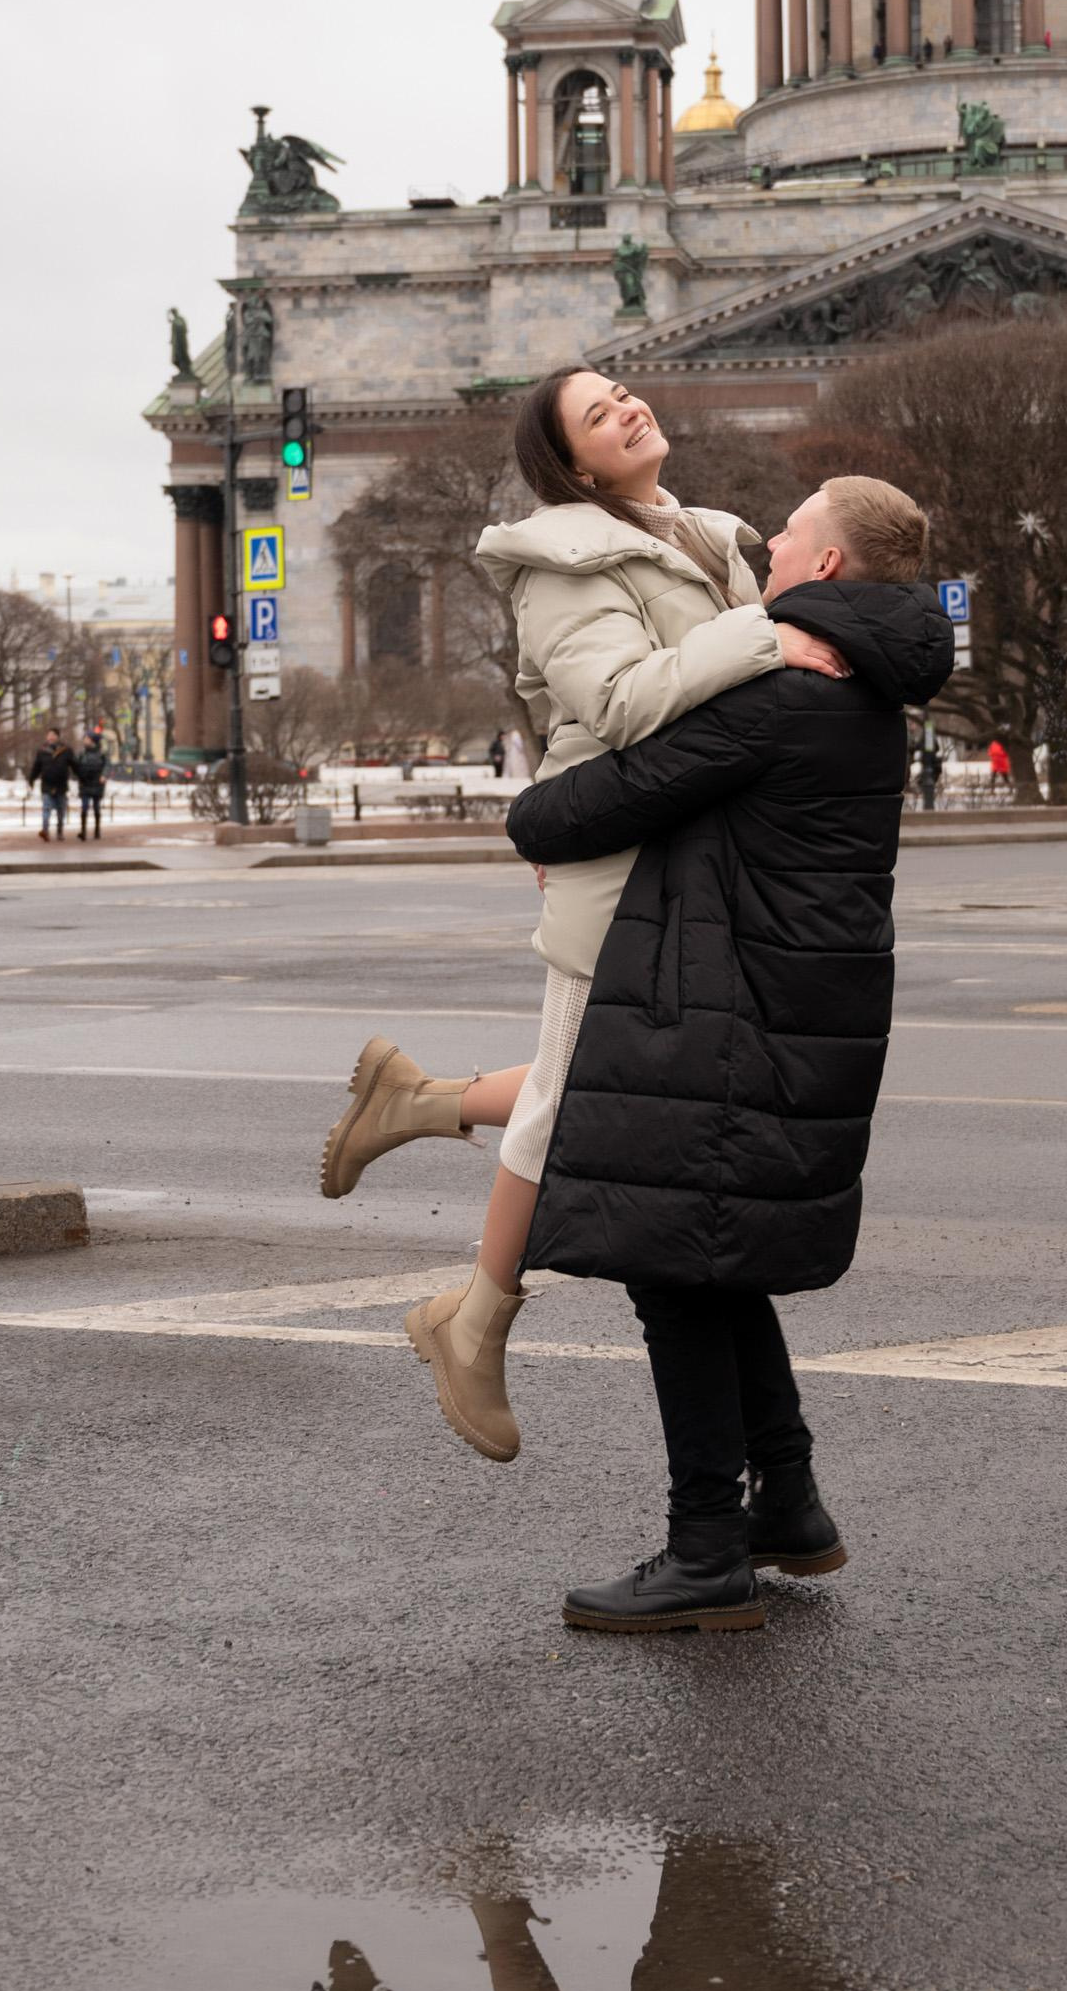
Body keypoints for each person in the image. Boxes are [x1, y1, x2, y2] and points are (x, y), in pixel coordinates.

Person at [318, 362, 851, 1464]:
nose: (625, 408)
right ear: (571, 464)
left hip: (690, 856)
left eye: (621, 392)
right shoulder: (562, 557)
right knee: (569, 1093)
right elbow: (615, 702)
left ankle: (418, 1102)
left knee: (601, 1078)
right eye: (597, 414)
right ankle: (469, 1318)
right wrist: (769, 637)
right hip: (617, 857)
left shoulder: (709, 537)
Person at [504, 474, 953, 1632]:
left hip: (731, 1009)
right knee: (716, 1258)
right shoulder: (863, 689)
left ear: (829, 567)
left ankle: (706, 1544)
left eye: (790, 532)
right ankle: (786, 1502)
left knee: (676, 1271)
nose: (769, 543)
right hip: (791, 1004)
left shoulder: (780, 695)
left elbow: (557, 817)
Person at [27, 730, 73, 840]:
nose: (50, 737)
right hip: (47, 785)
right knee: (46, 808)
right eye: (49, 735)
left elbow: (74, 765)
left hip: (61, 785)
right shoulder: (42, 751)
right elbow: (36, 767)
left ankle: (59, 831)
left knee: (61, 810)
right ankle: (45, 830)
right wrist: (31, 779)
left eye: (53, 735)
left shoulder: (66, 750)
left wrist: (82, 777)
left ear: (57, 737)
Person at [74, 729, 108, 840]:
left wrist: (104, 775)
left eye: (87, 738)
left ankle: (97, 830)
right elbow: (76, 766)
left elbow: (107, 766)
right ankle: (83, 831)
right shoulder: (82, 753)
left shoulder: (101, 753)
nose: (85, 740)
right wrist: (78, 776)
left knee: (96, 807)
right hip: (85, 783)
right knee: (84, 807)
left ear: (92, 740)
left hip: (97, 783)